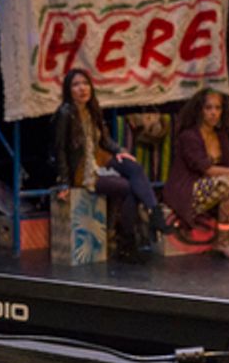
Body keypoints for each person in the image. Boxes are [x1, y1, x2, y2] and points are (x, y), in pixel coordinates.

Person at [52, 68, 169, 258]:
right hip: (83, 168)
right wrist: (64, 181)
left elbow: (105, 141)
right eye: (76, 85)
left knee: (134, 167)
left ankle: (155, 212)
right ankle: (127, 240)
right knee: (128, 188)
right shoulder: (65, 113)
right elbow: (60, 150)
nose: (82, 88)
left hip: (100, 157)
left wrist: (120, 151)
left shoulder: (93, 109)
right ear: (69, 90)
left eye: (85, 83)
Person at [161, 88, 229, 259]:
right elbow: (208, 170)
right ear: (200, 110)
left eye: (217, 108)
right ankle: (222, 240)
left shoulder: (220, 136)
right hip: (188, 190)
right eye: (208, 108)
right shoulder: (189, 136)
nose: (213, 113)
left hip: (213, 188)